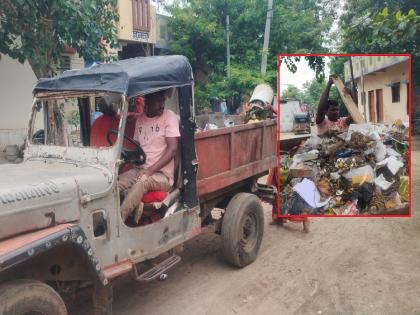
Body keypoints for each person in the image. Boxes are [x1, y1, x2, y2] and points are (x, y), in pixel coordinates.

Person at [118, 90, 180, 223]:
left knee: (143, 181)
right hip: (142, 169)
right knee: (115, 183)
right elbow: (139, 148)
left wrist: (150, 171)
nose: (162, 105)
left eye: (163, 101)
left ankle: (119, 221)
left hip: (162, 176)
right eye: (158, 101)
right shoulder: (140, 120)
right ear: (148, 101)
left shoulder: (169, 117)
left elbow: (172, 149)